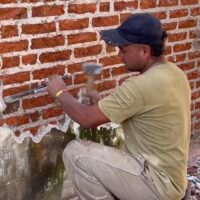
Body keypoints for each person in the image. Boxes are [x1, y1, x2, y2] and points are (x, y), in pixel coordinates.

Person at [47, 13, 191, 200]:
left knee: (75, 153)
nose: (119, 55)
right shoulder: (176, 74)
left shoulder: (141, 86)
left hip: (157, 186)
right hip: (174, 182)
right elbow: (138, 108)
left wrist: (60, 93)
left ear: (145, 51)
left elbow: (87, 119)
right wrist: (99, 102)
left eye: (124, 50)